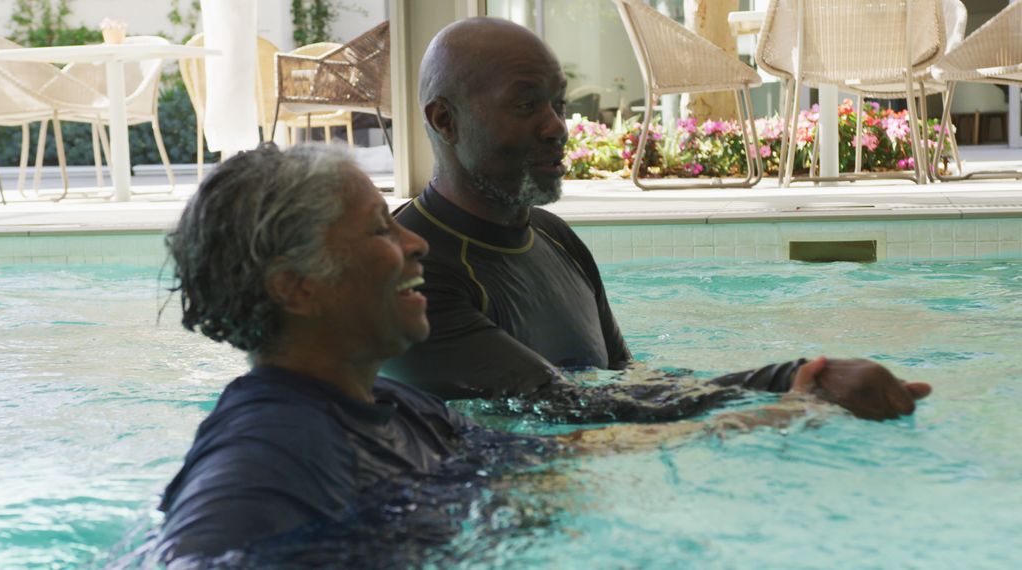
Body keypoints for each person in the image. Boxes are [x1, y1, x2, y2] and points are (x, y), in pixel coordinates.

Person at [154, 143, 859, 565]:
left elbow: (571, 460)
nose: (414, 242)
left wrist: (785, 400)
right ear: (297, 287)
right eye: (377, 230)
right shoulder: (267, 454)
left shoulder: (401, 411)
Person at [380, 17, 931, 422]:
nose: (558, 128)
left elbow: (626, 381)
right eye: (526, 106)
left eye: (557, 103)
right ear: (445, 120)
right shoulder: (418, 276)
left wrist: (802, 380)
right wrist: (787, 383)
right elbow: (567, 408)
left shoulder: (554, 237)